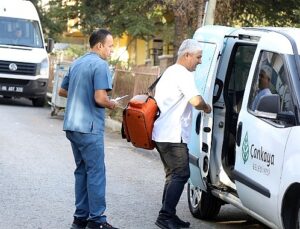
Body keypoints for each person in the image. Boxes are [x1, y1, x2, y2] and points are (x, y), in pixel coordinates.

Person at [58, 29, 119, 229]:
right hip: (89, 127)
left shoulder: (77, 62)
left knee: (82, 171)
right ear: (100, 45)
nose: (111, 50)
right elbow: (100, 98)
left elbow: (62, 90)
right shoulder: (100, 65)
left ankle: (80, 219)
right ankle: (97, 221)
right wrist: (112, 104)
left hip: (72, 126)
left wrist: (80, 94)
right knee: (96, 172)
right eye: (110, 46)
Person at [152, 39, 211, 229]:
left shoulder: (169, 71)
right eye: (198, 57)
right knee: (181, 174)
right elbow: (195, 101)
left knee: (172, 175)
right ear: (187, 55)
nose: (200, 61)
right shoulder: (182, 74)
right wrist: (207, 107)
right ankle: (165, 216)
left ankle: (169, 214)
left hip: (163, 133)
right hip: (173, 135)